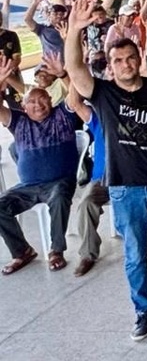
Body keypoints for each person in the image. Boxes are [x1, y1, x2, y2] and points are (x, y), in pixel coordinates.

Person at [62, 0, 147, 342]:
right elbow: (76, 70)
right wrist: (75, 30)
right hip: (124, 187)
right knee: (135, 253)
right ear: (110, 66)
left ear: (139, 59)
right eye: (117, 60)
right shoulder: (103, 93)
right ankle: (143, 310)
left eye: (130, 58)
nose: (124, 64)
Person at [0, 57, 80, 275]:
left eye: (43, 99)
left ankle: (56, 251)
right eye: (32, 102)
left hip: (59, 182)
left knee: (59, 196)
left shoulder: (62, 116)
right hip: (28, 187)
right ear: (23, 106)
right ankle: (22, 251)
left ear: (51, 101)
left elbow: (76, 94)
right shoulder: (18, 122)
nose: (38, 104)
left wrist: (63, 74)